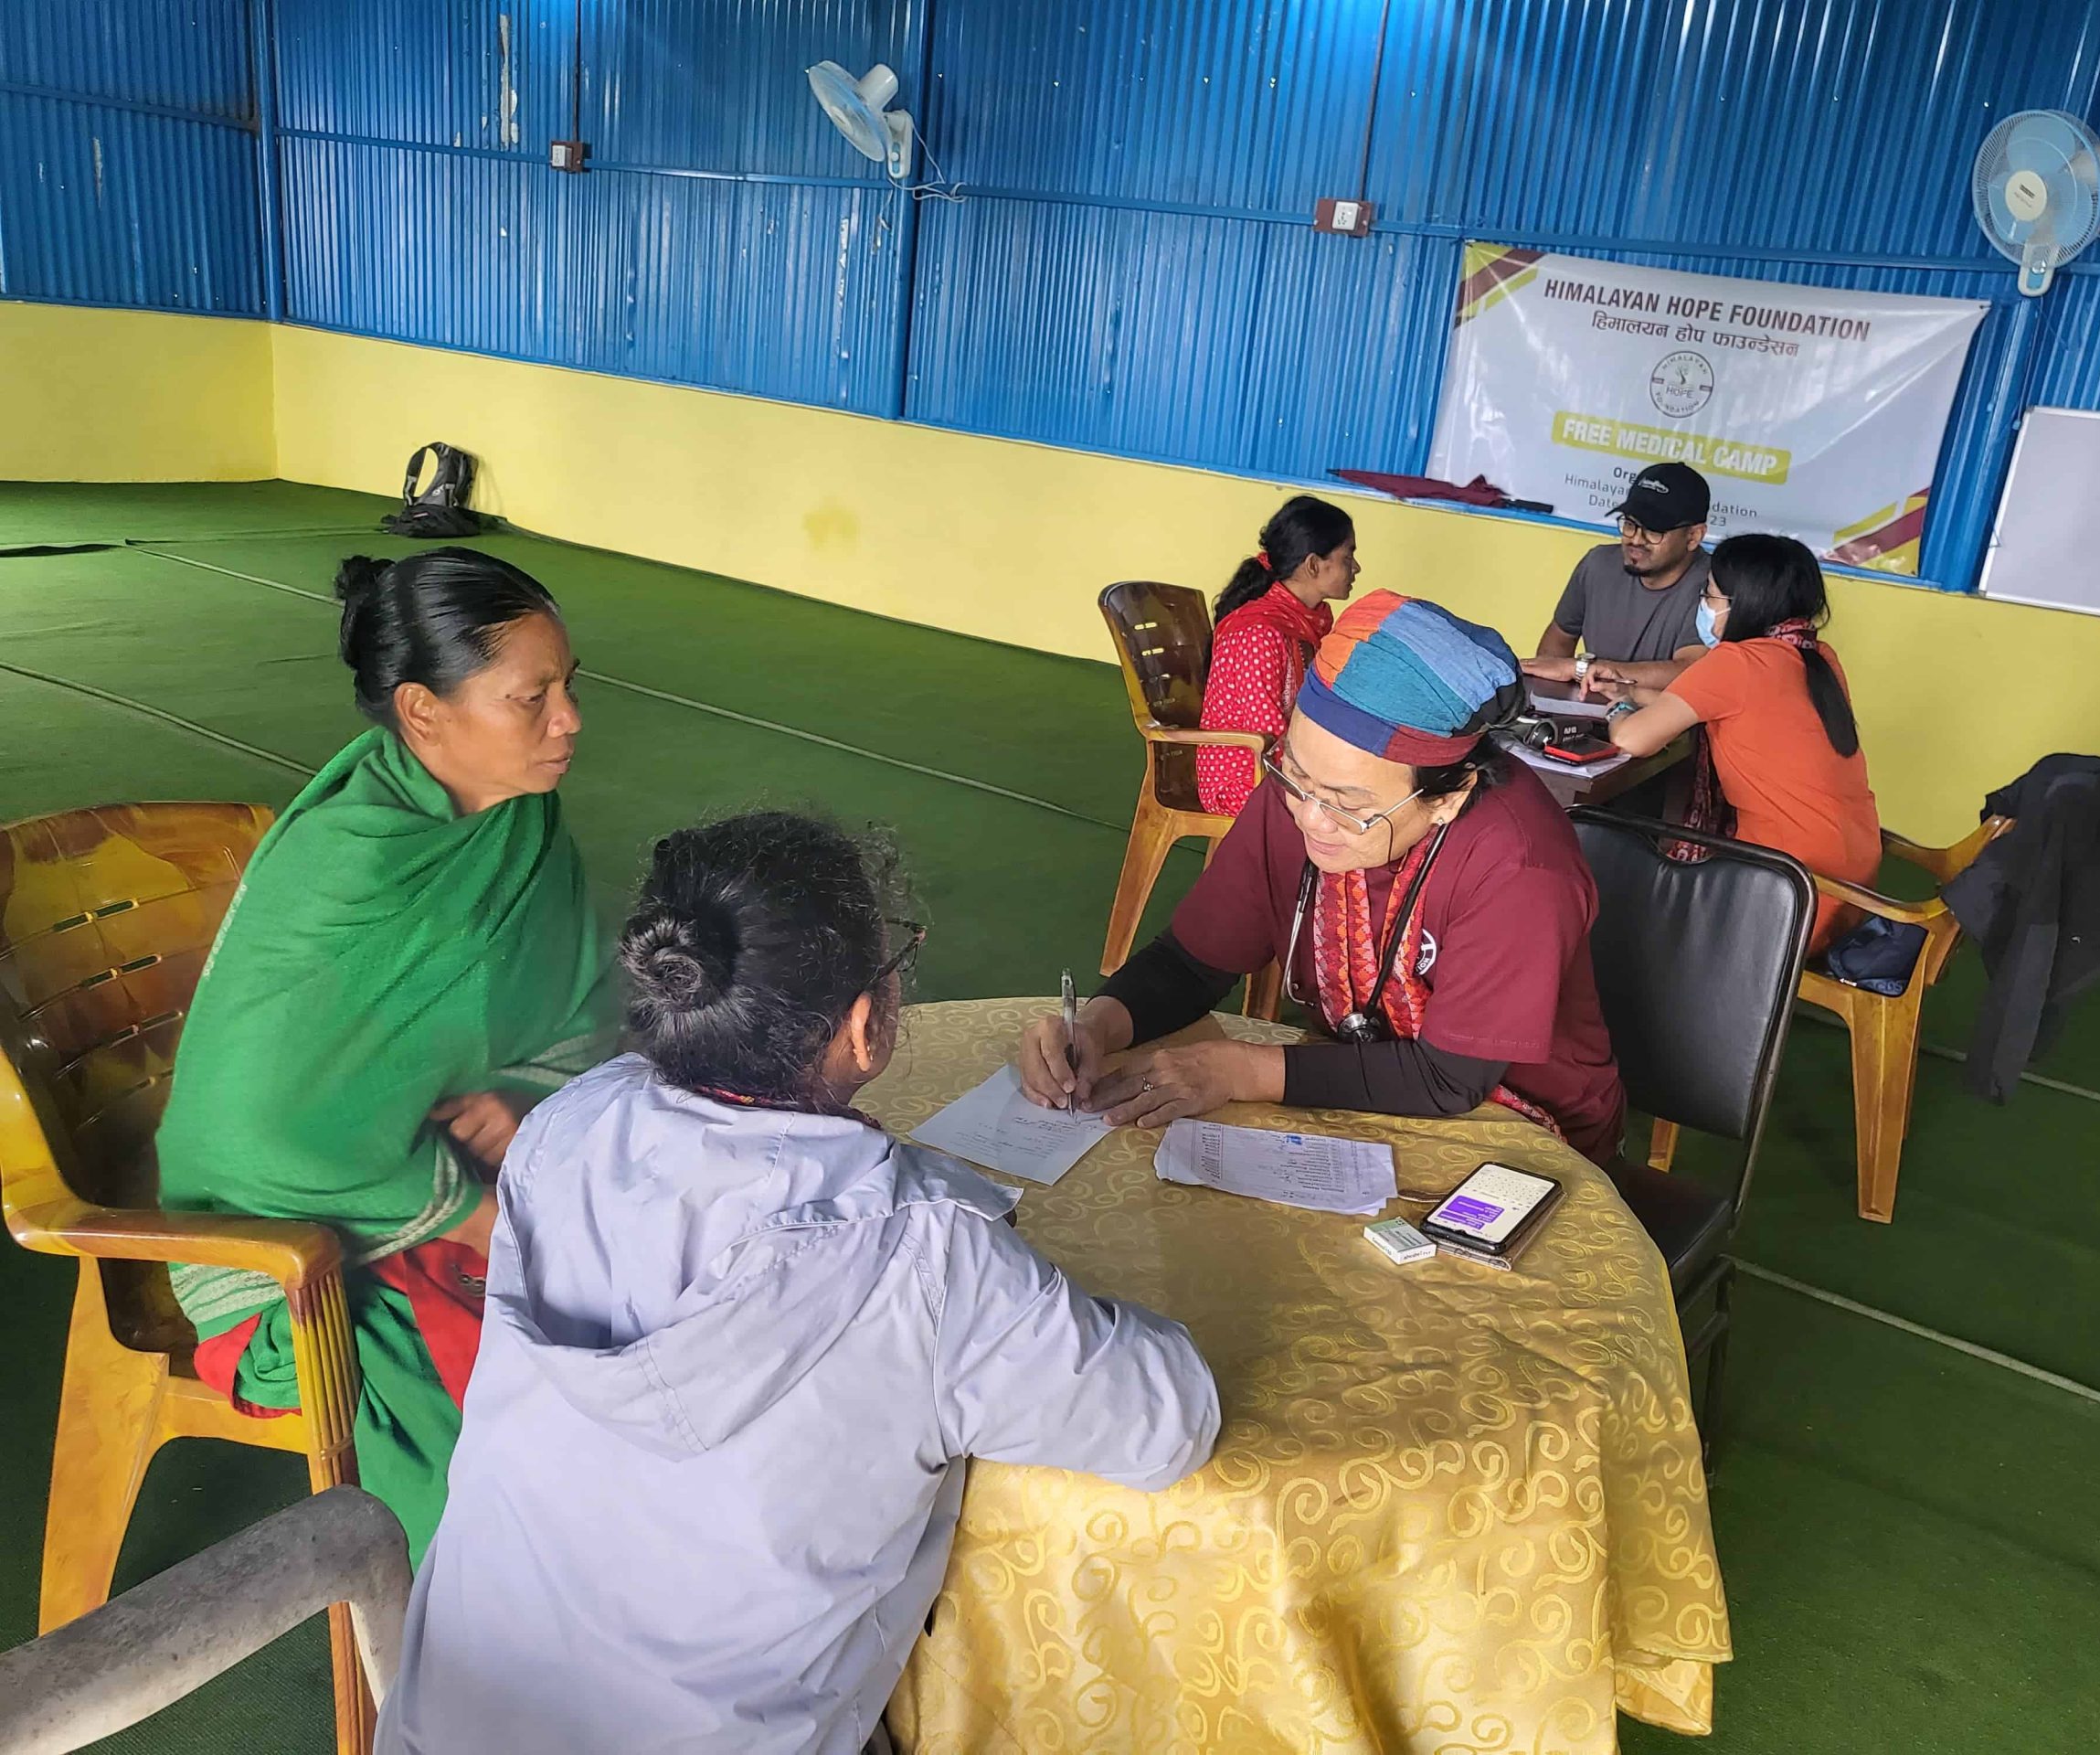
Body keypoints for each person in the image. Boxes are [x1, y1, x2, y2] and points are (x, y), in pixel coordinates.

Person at [377, 814, 1219, 1755]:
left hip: (448, 1730)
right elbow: (1167, 1423)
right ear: (865, 1026)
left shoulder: (567, 1126)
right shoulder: (929, 1253)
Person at [158, 548, 612, 1565]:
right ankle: (502, 1637)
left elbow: (566, 1000)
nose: (568, 718)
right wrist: (474, 1212)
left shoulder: (520, 820)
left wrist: (518, 1093)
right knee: (532, 1401)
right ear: (422, 712)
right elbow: (262, 1125)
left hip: (438, 1162)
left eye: (568, 686)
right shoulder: (346, 866)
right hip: (297, 1223)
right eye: (532, 696)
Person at [1022, 590, 1625, 1165]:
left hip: (1518, 1129)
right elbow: (1190, 963)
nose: (1310, 818)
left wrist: (1242, 1070)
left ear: (1448, 797)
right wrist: (1096, 1029)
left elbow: (1450, 1079)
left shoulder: (1518, 868)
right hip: (1356, 1096)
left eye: (1346, 801)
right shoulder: (1301, 798)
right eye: (1295, 775)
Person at [1596, 533, 1882, 948]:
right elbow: (1717, 708)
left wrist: (1617, 711)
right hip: (1852, 878)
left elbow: (1631, 740)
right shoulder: (1815, 656)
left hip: (1793, 888)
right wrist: (1632, 693)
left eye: (1709, 595)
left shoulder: (1739, 662)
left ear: (1742, 603)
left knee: (1620, 870)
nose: (1704, 606)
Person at [1196, 495, 1361, 815]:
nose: (1356, 567)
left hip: (1288, 767)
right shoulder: (1259, 631)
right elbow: (1267, 730)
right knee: (1357, 808)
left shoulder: (1310, 620)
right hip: (1246, 776)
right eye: (1347, 556)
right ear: (1314, 564)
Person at [1522, 462, 1713, 687]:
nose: (1635, 540)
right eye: (1630, 524)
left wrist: (1589, 670)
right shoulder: (1598, 565)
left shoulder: (1715, 586)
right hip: (1588, 712)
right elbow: (1559, 640)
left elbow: (1690, 671)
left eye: (1654, 531)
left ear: (1693, 536)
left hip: (1665, 720)